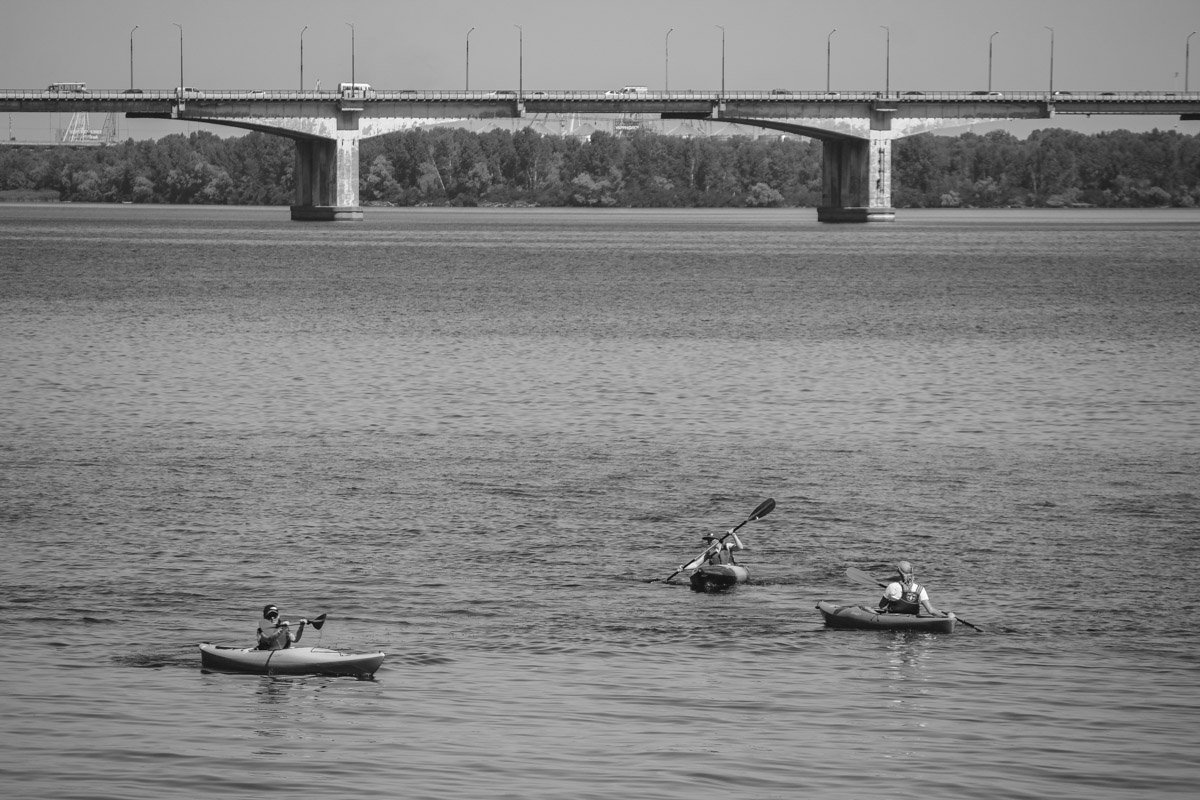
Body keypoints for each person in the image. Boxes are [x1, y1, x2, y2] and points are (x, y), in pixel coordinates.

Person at [876, 561, 947, 616]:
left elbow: (881, 605)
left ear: (899, 572)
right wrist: (946, 616)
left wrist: (889, 596)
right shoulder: (920, 589)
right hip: (913, 620)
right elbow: (930, 610)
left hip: (894, 619)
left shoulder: (892, 586)